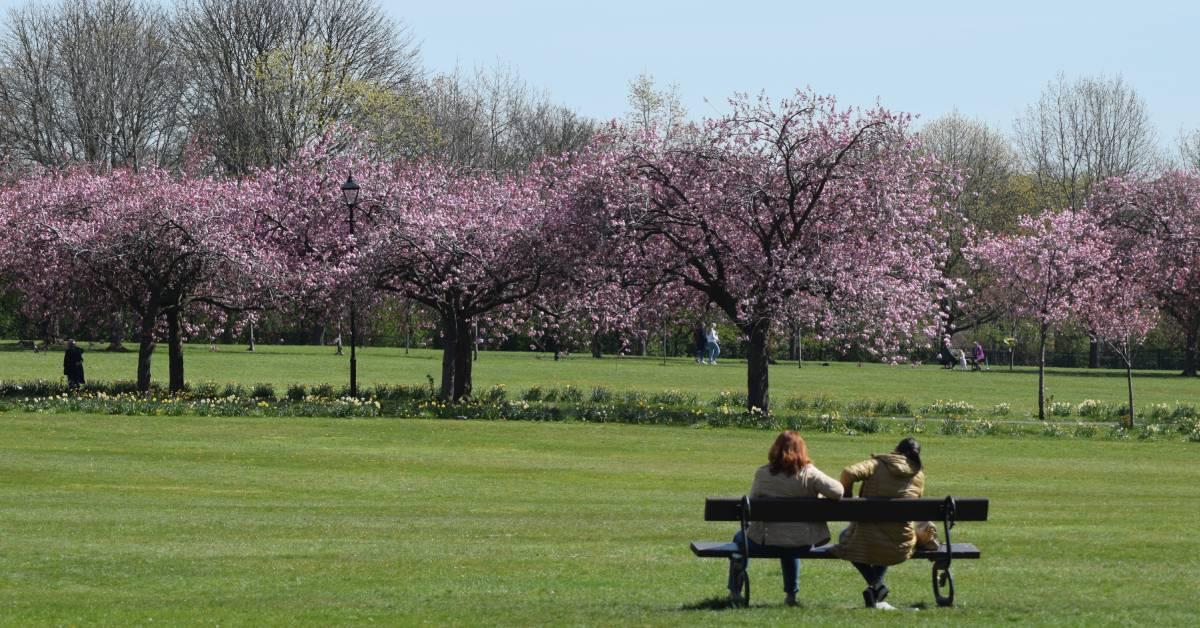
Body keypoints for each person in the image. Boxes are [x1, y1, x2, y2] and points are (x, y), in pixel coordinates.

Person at [728, 431, 843, 606]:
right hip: (803, 542)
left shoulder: (763, 474)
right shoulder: (809, 474)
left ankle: (735, 591)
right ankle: (791, 596)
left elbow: (752, 505)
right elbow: (838, 491)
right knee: (791, 540)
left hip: (768, 541)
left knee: (739, 539)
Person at [833, 437, 926, 610]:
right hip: (899, 542)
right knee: (889, 536)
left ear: (896, 449)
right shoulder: (918, 475)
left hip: (866, 538)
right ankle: (876, 591)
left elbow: (848, 472)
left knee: (844, 537)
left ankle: (876, 585)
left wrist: (847, 496)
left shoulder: (877, 464)